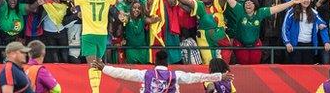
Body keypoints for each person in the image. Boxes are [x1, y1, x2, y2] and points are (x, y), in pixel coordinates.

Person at [92, 50, 233, 92]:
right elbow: (197, 77)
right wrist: (220, 76)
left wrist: (104, 67)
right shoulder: (175, 75)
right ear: (167, 63)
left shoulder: (145, 74)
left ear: (155, 62)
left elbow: (123, 73)